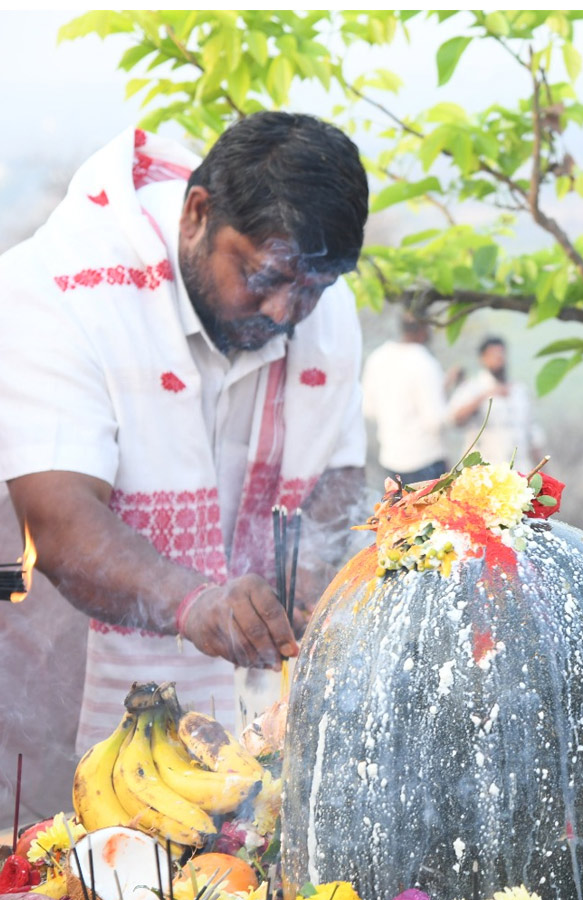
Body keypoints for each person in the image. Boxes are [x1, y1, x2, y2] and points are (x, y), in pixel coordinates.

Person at [0, 111, 370, 750]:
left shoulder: (321, 306)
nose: (286, 312)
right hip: (62, 692)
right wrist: (196, 603)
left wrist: (306, 582)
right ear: (197, 214)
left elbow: (335, 472)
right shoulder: (61, 289)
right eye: (263, 278)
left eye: (312, 289)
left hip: (237, 716)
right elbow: (58, 517)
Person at [362, 313, 452, 484]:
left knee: (398, 510)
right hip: (425, 460)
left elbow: (369, 409)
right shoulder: (424, 361)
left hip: (391, 458)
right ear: (425, 329)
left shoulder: (377, 357)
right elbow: (435, 420)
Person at [448, 336, 546, 473]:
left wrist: (543, 470)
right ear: (482, 359)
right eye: (493, 354)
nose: (499, 358)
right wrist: (486, 395)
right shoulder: (472, 387)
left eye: (501, 353)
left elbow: (532, 433)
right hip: (485, 472)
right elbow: (456, 419)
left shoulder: (519, 390)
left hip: (519, 470)